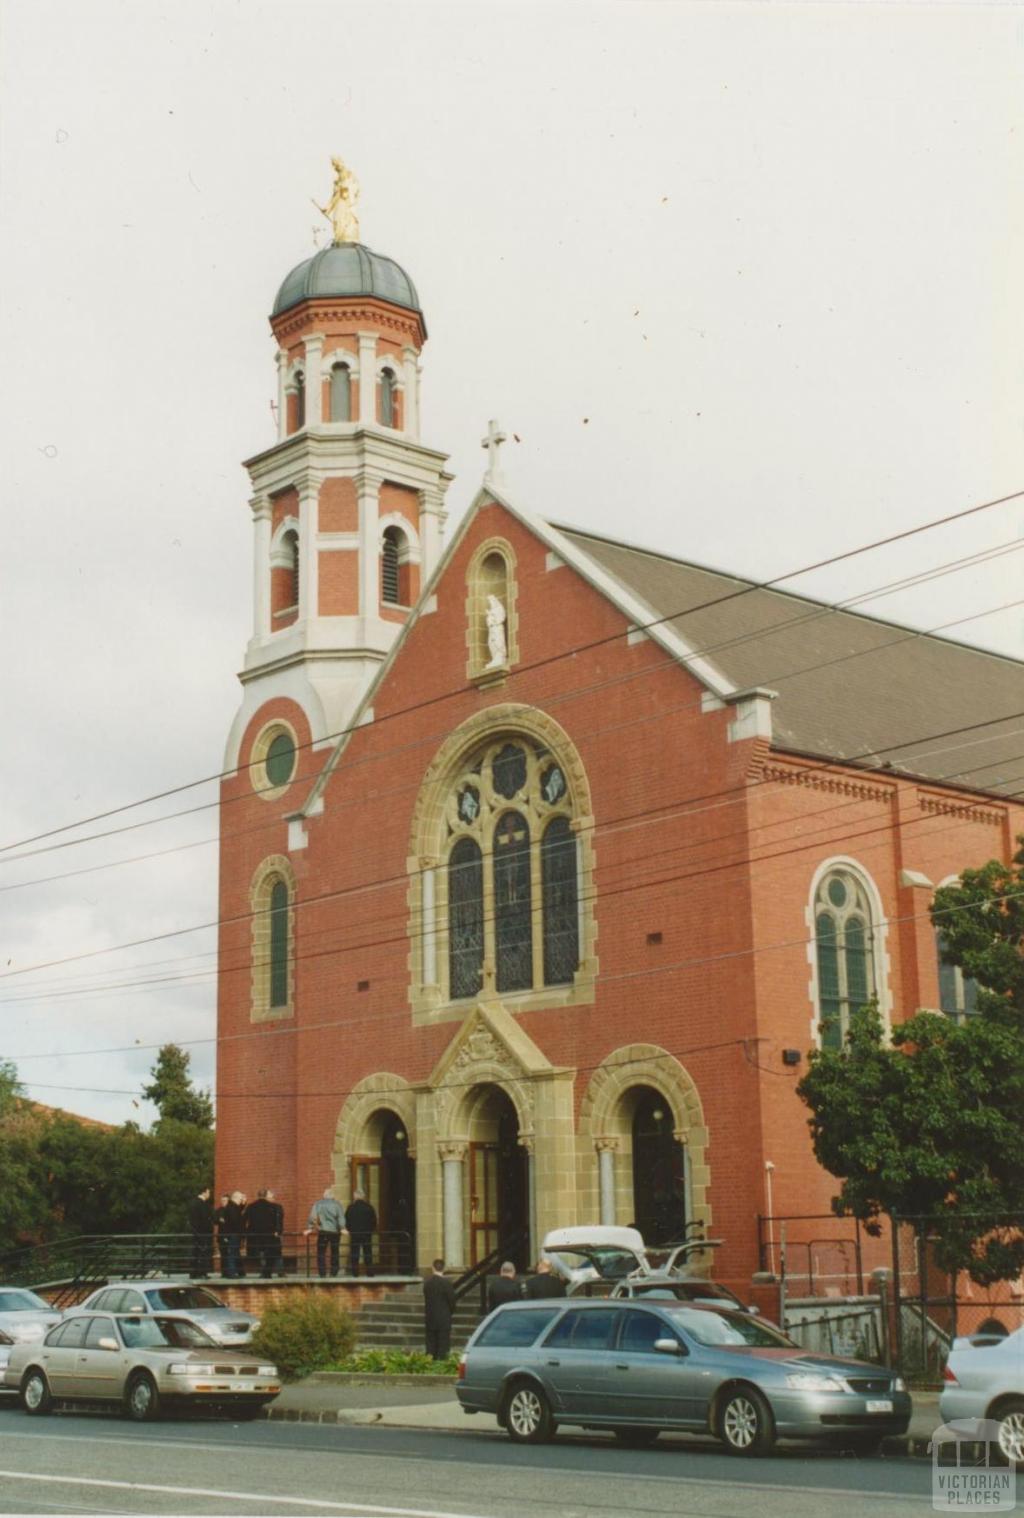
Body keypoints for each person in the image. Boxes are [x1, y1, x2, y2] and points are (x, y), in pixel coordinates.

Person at [304, 1187, 346, 1277]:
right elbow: (340, 1217)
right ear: (333, 1196)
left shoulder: (318, 1204)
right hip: (335, 1232)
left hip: (323, 1231)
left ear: (324, 1195)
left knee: (321, 1252)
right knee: (335, 1251)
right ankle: (334, 1272)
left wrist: (310, 1228)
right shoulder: (337, 1204)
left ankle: (322, 1272)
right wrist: (342, 1228)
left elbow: (313, 1217)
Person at [423, 1259, 456, 1360]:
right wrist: (449, 1313)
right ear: (444, 1269)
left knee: (431, 1345)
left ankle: (429, 1364)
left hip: (430, 1318)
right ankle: (441, 1365)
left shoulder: (427, 1283)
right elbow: (452, 1302)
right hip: (444, 1318)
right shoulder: (447, 1284)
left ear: (433, 1268)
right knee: (443, 1346)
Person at [244, 1189, 280, 1278]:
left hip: (255, 1236)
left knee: (260, 1253)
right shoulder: (273, 1207)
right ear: (266, 1195)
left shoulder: (251, 1206)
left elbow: (244, 1219)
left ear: (258, 1195)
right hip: (269, 1235)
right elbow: (277, 1221)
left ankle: (263, 1271)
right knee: (270, 1254)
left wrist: (246, 1232)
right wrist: (277, 1231)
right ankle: (267, 1273)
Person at [345, 1188, 377, 1277]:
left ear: (355, 1196)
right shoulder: (369, 1207)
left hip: (354, 1234)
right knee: (368, 1252)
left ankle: (355, 1273)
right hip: (366, 1234)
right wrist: (370, 1230)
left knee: (355, 1253)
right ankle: (370, 1272)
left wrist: (350, 1229)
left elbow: (346, 1221)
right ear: (363, 1197)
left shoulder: (350, 1208)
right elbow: (374, 1221)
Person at [187, 1186, 214, 1278]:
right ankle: (202, 1273)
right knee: (203, 1253)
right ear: (204, 1193)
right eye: (208, 1192)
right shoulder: (202, 1204)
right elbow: (205, 1219)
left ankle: (193, 1273)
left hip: (195, 1232)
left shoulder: (193, 1203)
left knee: (195, 1253)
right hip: (203, 1233)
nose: (209, 1194)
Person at [222, 1190, 245, 1279]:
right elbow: (235, 1221)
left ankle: (237, 1272)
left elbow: (238, 1212)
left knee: (234, 1253)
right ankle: (232, 1273)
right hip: (234, 1234)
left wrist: (243, 1204)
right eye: (240, 1199)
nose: (241, 1200)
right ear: (235, 1198)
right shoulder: (232, 1207)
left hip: (232, 1234)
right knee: (232, 1253)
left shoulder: (232, 1206)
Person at [267, 1188, 285, 1276]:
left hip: (275, 1234)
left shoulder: (278, 1207)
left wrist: (278, 1231)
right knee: (267, 1253)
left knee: (277, 1252)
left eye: (270, 1197)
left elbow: (279, 1220)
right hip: (268, 1234)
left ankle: (280, 1271)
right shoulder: (267, 1207)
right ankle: (268, 1272)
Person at [213, 1193, 232, 1277]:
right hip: (221, 1235)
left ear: (228, 1201)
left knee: (230, 1254)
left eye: (224, 1200)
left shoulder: (231, 1210)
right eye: (222, 1201)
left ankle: (230, 1272)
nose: (223, 1202)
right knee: (223, 1254)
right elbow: (214, 1220)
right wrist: (219, 1219)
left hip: (230, 1235)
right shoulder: (219, 1210)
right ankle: (224, 1272)